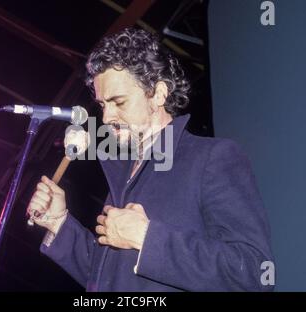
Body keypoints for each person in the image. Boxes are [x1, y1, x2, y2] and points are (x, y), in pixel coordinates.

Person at [27, 28, 274, 291]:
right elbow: (108, 279)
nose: (107, 117)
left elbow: (253, 272)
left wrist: (147, 238)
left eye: (118, 102)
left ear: (158, 94)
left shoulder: (211, 158)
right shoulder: (123, 173)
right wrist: (58, 223)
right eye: (102, 105)